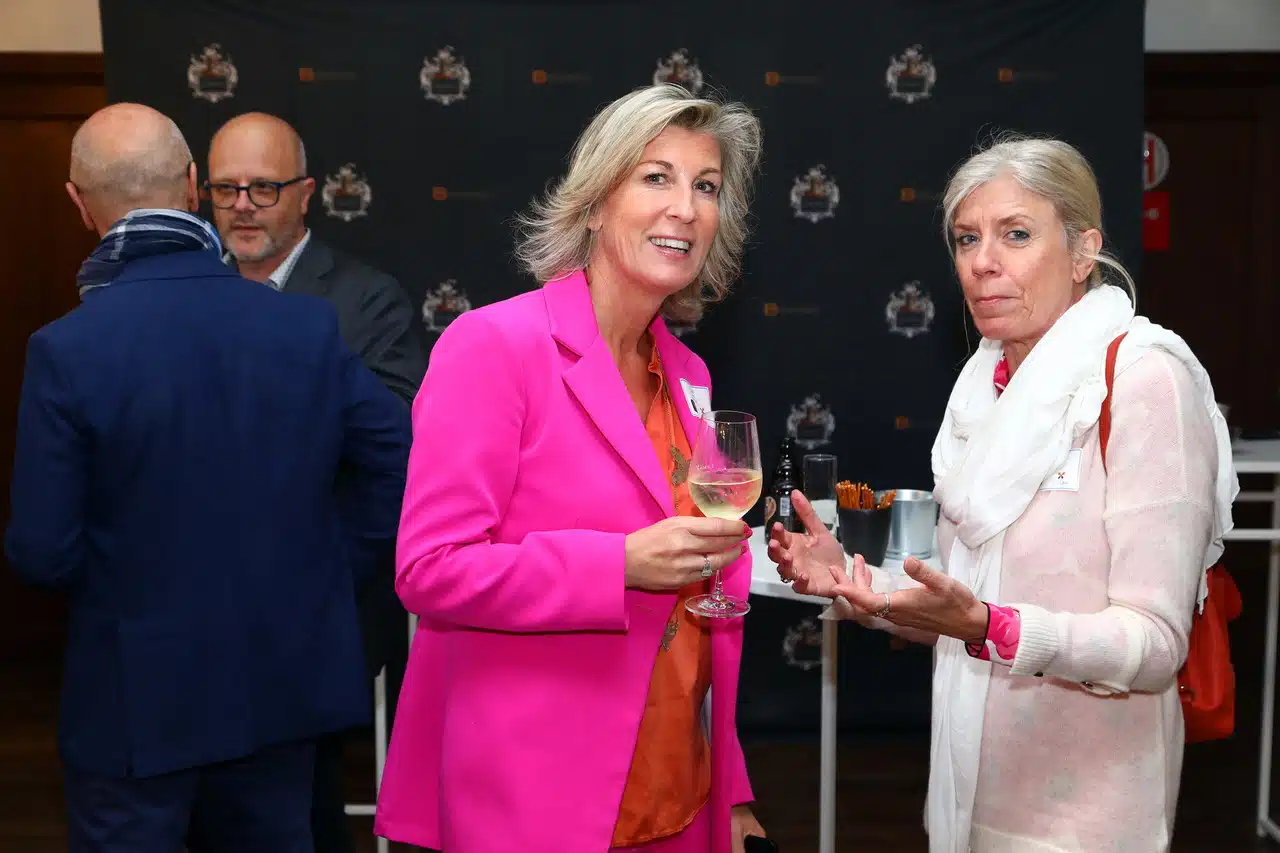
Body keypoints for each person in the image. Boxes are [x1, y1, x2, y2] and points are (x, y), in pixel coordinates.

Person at [769, 136, 1238, 853]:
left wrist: (992, 626)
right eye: (967, 238)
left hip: (1088, 816)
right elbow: (962, 610)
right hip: (968, 793)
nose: (982, 261)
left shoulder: (1143, 382)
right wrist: (858, 583)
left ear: (1083, 251)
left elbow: (1154, 643)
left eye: (1016, 234)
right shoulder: (981, 392)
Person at [4, 103, 412, 852]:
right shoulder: (301, 325)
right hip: (279, 684)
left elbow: (42, 550)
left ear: (78, 203)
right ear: (194, 185)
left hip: (135, 696)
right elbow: (397, 456)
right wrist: (326, 565)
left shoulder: (66, 349)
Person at [374, 84, 768, 853]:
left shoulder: (688, 374)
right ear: (593, 203)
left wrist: (732, 783)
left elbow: (700, 601)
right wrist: (618, 564)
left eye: (706, 186)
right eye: (656, 177)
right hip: (536, 794)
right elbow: (430, 568)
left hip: (678, 790)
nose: (685, 207)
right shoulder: (494, 347)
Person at [206, 111, 426, 853]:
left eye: (263, 189)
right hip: (202, 591)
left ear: (306, 194)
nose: (242, 206)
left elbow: (395, 444)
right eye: (226, 189)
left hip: (327, 589)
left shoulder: (367, 299)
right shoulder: (187, 290)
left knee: (294, 800)